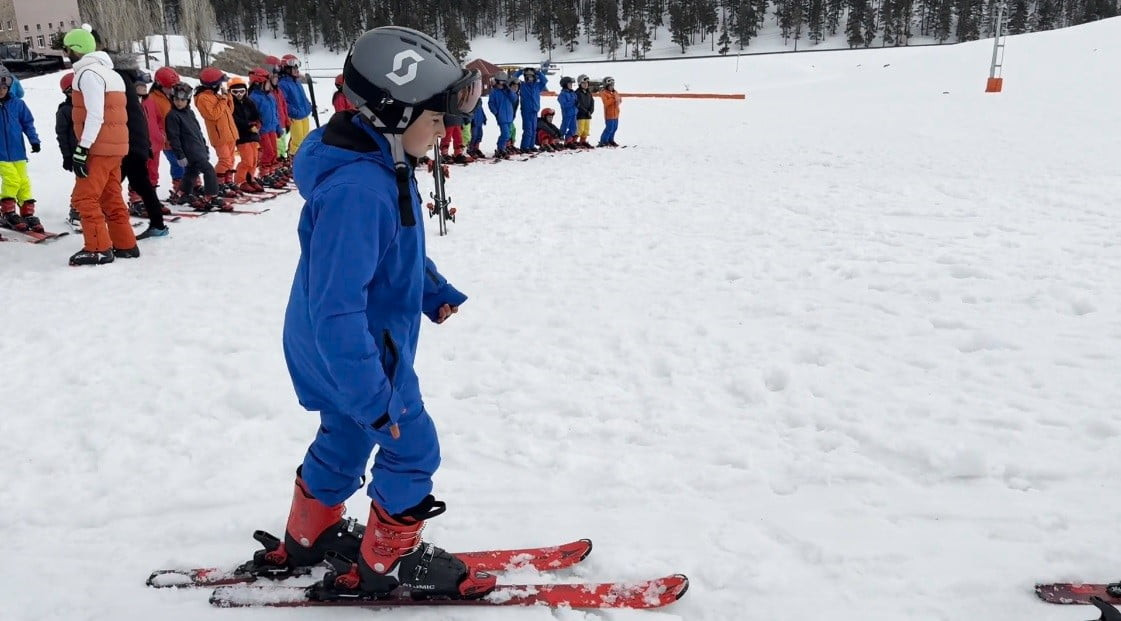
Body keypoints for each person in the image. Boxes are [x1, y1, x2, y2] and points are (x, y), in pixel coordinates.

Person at [277, 25, 493, 601]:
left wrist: (431, 289)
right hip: (360, 352)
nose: (447, 129)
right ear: (395, 114)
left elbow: (393, 251)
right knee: (412, 446)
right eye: (437, 117)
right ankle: (388, 562)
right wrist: (375, 395)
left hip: (333, 349)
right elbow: (339, 307)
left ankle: (311, 532)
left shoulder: (380, 165)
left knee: (345, 438)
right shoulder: (360, 190)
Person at [61, 27, 139, 266]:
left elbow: (95, 114)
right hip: (116, 147)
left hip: (98, 146)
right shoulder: (111, 73)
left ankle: (98, 248)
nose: (65, 54)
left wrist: (82, 148)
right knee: (111, 196)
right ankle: (125, 244)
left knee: (85, 198)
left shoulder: (87, 74)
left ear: (75, 49)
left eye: (66, 49)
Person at [113, 57, 168, 240]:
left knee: (110, 184)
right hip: (136, 145)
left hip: (128, 145)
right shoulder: (133, 94)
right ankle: (157, 224)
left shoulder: (123, 89)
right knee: (141, 183)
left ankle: (111, 224)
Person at [165, 82, 230, 213]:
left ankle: (182, 193)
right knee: (209, 170)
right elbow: (174, 137)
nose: (179, 102)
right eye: (176, 99)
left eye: (182, 100)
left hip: (197, 149)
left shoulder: (189, 113)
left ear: (187, 100)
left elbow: (198, 131)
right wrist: (180, 154)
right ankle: (211, 196)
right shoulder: (172, 116)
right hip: (189, 151)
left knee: (192, 172)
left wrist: (204, 147)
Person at [0, 65, 41, 233]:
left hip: (18, 153)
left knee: (23, 181)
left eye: (3, 87)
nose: (1, 90)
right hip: (1, 154)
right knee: (12, 180)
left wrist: (34, 140)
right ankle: (8, 212)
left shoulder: (18, 104)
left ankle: (27, 212)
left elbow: (27, 123)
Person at [194, 67, 239, 195]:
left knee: (230, 160)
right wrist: (224, 100)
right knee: (224, 161)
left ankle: (227, 181)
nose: (221, 85)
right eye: (219, 83)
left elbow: (229, 111)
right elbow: (213, 114)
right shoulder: (203, 98)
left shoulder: (217, 96)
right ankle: (216, 184)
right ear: (213, 84)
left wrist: (228, 97)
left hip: (229, 133)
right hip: (219, 135)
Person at [152, 67, 185, 199]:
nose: (172, 89)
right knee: (177, 163)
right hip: (167, 140)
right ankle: (179, 188)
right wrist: (162, 137)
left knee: (185, 163)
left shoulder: (171, 96)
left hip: (179, 137)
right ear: (159, 85)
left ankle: (186, 187)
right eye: (169, 87)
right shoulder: (153, 99)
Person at [248, 68, 285, 188]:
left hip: (272, 128)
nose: (271, 85)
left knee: (274, 152)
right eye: (268, 83)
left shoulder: (270, 96)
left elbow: (276, 113)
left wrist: (278, 127)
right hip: (263, 130)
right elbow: (252, 116)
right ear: (259, 83)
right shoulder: (254, 97)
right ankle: (264, 175)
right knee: (268, 152)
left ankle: (271, 173)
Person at [229, 77, 264, 193]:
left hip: (253, 135)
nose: (239, 94)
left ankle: (250, 178)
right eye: (235, 92)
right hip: (242, 135)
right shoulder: (231, 104)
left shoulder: (249, 102)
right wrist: (248, 126)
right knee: (247, 160)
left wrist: (258, 123)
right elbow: (234, 119)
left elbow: (256, 115)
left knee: (254, 160)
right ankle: (240, 180)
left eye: (241, 91)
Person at [56, 73, 81, 226]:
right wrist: (66, 156)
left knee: (97, 181)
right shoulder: (65, 111)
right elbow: (62, 134)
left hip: (94, 150)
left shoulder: (89, 105)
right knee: (83, 182)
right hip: (76, 152)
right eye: (73, 92)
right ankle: (76, 209)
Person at [277, 54, 312, 157]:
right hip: (295, 117)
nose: (297, 70)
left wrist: (308, 105)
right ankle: (294, 158)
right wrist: (293, 112)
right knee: (298, 141)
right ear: (286, 69)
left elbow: (303, 97)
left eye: (297, 67)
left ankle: (303, 158)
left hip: (304, 115)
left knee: (305, 139)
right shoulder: (282, 83)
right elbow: (283, 102)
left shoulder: (297, 82)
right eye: (294, 67)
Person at [513, 64, 547, 152]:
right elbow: (513, 78)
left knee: (534, 129)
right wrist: (520, 71)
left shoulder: (537, 86)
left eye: (531, 76)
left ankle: (531, 146)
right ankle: (524, 147)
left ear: (534, 77)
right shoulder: (522, 85)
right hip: (526, 111)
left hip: (535, 110)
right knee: (528, 129)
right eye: (527, 76)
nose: (529, 78)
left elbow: (544, 81)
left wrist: (538, 72)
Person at [486, 72, 515, 159]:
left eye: (503, 82)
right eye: (500, 82)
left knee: (508, 134)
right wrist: (496, 112)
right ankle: (501, 148)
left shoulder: (507, 91)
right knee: (505, 134)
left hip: (509, 116)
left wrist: (509, 90)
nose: (501, 84)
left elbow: (514, 99)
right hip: (501, 117)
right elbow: (491, 103)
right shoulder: (494, 92)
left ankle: (502, 147)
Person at [597, 76, 621, 147]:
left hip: (616, 113)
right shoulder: (604, 93)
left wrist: (618, 100)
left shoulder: (615, 92)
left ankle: (611, 140)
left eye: (612, 85)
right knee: (609, 128)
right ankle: (603, 141)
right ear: (606, 86)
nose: (612, 87)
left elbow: (619, 100)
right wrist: (614, 99)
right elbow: (606, 103)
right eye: (610, 85)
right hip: (609, 114)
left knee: (614, 128)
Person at [575, 74, 595, 148]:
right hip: (580, 115)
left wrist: (590, 111)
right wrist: (585, 111)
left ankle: (583, 141)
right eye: (584, 83)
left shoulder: (589, 93)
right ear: (580, 84)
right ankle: (574, 141)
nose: (586, 85)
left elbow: (592, 102)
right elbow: (578, 104)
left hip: (588, 115)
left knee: (586, 130)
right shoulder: (577, 93)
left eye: (587, 83)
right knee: (579, 129)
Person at [557, 76, 577, 148]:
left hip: (573, 113)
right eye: (569, 84)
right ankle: (557, 141)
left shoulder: (572, 93)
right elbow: (564, 104)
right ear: (565, 85)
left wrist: (577, 104)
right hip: (567, 114)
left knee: (573, 128)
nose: (571, 85)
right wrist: (573, 102)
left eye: (571, 84)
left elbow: (576, 101)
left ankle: (568, 141)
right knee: (564, 128)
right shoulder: (562, 94)